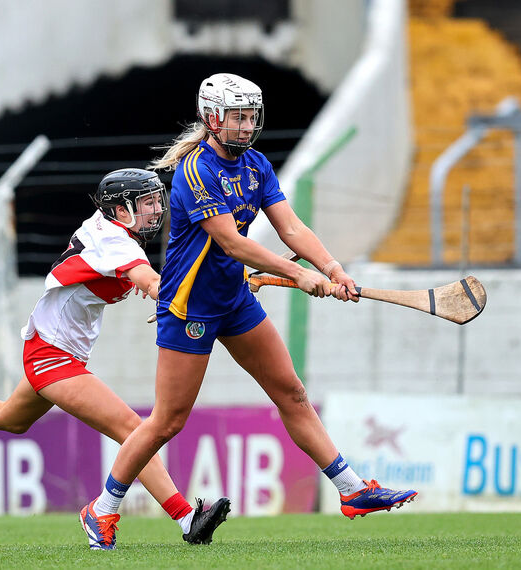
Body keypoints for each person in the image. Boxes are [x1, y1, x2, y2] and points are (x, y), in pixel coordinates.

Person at [81, 73, 417, 547]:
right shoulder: (197, 170)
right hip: (189, 305)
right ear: (212, 117)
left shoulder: (257, 165)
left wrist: (331, 266)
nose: (246, 125)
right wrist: (299, 274)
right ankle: (103, 508)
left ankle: (352, 490)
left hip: (235, 301)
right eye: (237, 116)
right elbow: (232, 241)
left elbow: (292, 228)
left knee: (292, 393)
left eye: (251, 116)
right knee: (168, 421)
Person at [0, 168, 230, 549]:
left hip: (52, 347)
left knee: (9, 418)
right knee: (133, 428)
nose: (156, 210)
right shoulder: (116, 242)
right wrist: (188, 292)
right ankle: (184, 518)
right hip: (52, 355)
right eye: (147, 203)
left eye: (158, 201)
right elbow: (155, 284)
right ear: (119, 209)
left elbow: (145, 276)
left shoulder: (111, 230)